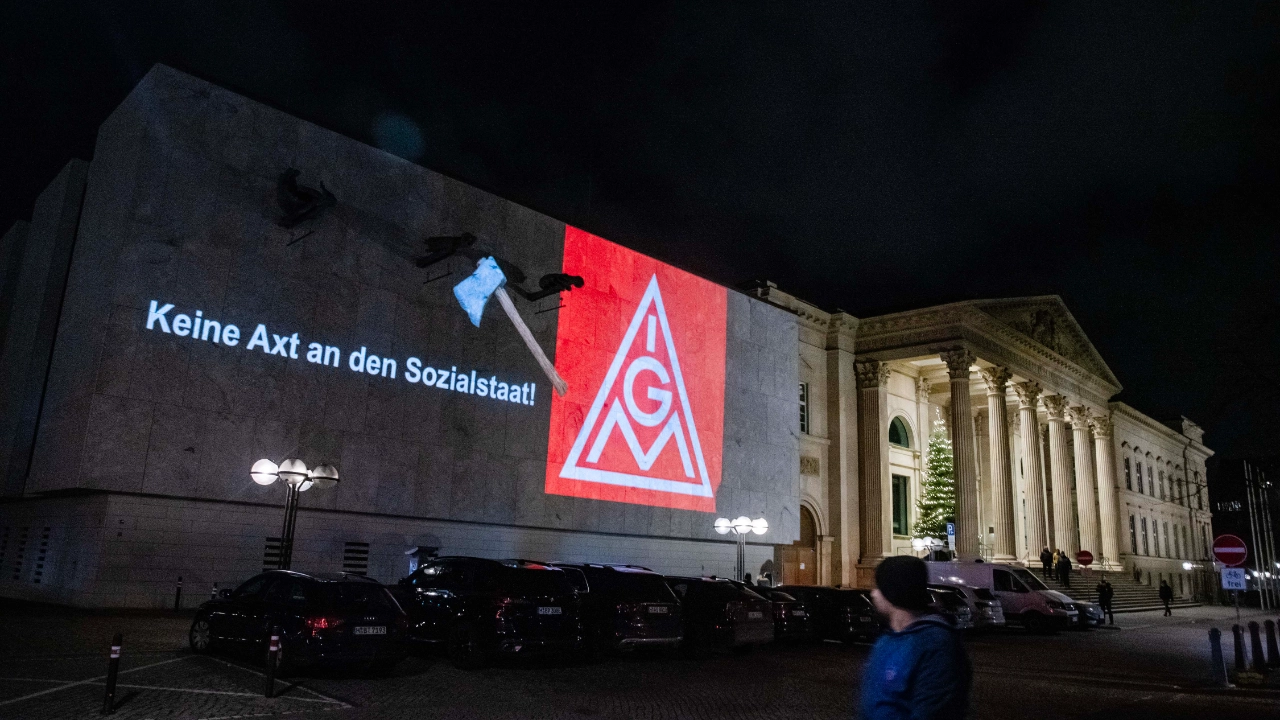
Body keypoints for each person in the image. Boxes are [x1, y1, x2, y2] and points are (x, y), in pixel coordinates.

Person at [860, 556, 972, 720]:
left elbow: (934, 712)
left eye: (878, 587)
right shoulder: (886, 640)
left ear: (892, 591)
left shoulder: (936, 644)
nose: (873, 593)